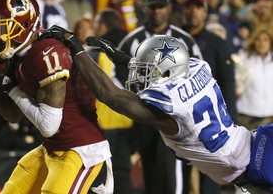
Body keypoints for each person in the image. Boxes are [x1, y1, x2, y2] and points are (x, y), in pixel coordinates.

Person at [40, 25, 273, 194]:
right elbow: (165, 69)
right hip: (252, 144)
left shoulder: (170, 109)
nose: (141, 77)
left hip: (252, 169)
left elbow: (110, 95)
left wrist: (76, 48)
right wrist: (123, 59)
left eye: (145, 71)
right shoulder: (195, 67)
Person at [0, 0, 113, 194]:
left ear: (24, 26)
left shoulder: (48, 52)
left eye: (1, 29)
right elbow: (13, 115)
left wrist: (9, 86)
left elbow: (48, 125)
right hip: (52, 148)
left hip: (81, 150)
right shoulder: (19, 52)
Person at [117, 0, 203, 194]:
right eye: (153, 7)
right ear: (146, 8)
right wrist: (133, 104)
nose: (157, 11)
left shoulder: (184, 39)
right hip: (144, 115)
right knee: (150, 169)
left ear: (169, 8)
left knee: (173, 168)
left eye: (161, 6)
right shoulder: (132, 39)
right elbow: (116, 75)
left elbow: (199, 73)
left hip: (175, 115)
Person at [183, 0, 238, 194]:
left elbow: (228, 83)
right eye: (189, 7)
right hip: (181, 117)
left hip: (210, 119)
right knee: (180, 173)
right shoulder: (176, 40)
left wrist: (231, 118)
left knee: (210, 175)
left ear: (205, 12)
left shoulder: (216, 42)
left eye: (198, 7)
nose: (193, 11)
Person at [90, 8, 135, 194]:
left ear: (103, 25)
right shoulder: (133, 42)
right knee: (123, 171)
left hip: (105, 119)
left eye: (96, 24)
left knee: (101, 175)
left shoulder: (101, 49)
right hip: (131, 117)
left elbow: (102, 83)